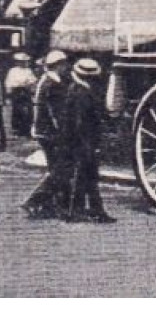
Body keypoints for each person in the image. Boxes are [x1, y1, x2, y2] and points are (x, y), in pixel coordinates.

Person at [59, 58, 115, 223]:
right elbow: (80, 122)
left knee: (89, 177)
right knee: (83, 177)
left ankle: (95, 210)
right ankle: (77, 211)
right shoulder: (81, 93)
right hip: (81, 141)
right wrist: (87, 145)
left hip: (82, 140)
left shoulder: (79, 90)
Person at [22, 50, 70, 218]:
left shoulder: (47, 81)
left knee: (55, 168)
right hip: (49, 132)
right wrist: (62, 131)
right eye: (63, 64)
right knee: (58, 170)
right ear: (57, 65)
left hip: (43, 131)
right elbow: (54, 112)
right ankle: (34, 201)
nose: (66, 67)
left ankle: (49, 205)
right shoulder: (52, 84)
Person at [3, 52, 37, 139]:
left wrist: (29, 84)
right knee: (17, 110)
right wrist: (8, 94)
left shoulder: (28, 71)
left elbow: (33, 80)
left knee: (28, 110)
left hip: (25, 91)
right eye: (21, 61)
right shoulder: (13, 71)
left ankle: (27, 130)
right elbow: (9, 82)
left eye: (24, 61)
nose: (22, 63)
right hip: (16, 91)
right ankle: (17, 130)